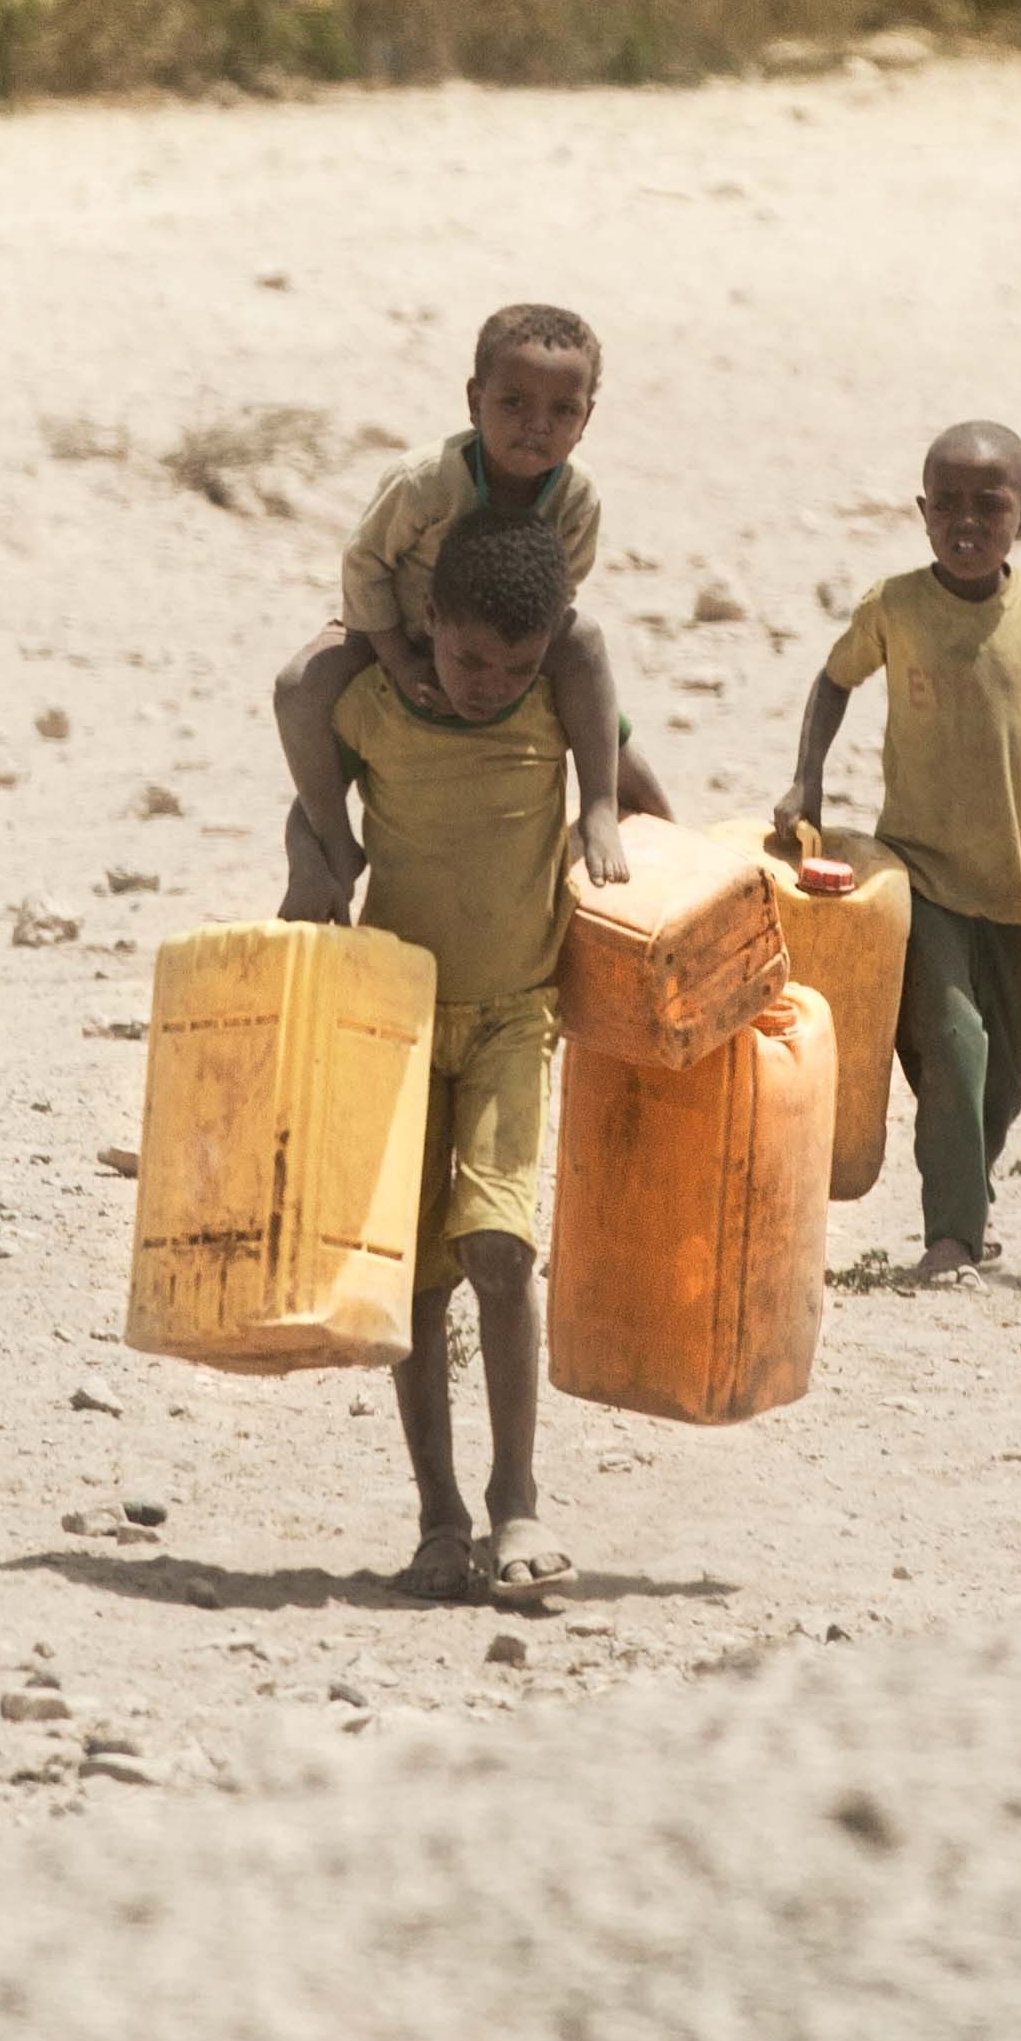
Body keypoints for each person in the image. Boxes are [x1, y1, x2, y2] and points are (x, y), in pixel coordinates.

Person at [281, 514, 582, 1606]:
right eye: (465, 657)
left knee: (501, 1252)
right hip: (393, 1018)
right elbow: (309, 807)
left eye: (516, 664)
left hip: (510, 1018)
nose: (486, 684)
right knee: (412, 1278)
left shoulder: (555, 708)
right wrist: (307, 864)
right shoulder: (375, 709)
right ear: (430, 625)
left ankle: (517, 1502)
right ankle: (438, 1520)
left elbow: (633, 795)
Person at [774, 420, 1021, 1282]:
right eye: (949, 507)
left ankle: (968, 1192)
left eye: (990, 507)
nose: (967, 524)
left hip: (1016, 879)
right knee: (954, 1040)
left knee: (1006, 1065)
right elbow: (831, 681)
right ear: (922, 511)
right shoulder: (893, 605)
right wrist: (805, 780)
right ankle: (951, 1237)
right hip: (919, 871)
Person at [273, 300, 668, 907]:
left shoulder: (577, 497)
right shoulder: (425, 482)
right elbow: (366, 565)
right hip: (396, 628)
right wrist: (402, 661)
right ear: (474, 400)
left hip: (509, 639)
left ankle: (601, 808)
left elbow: (560, 593)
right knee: (300, 685)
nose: (536, 426)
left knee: (587, 650)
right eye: (513, 404)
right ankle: (332, 835)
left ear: (585, 419)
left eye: (561, 411)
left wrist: (520, 673)